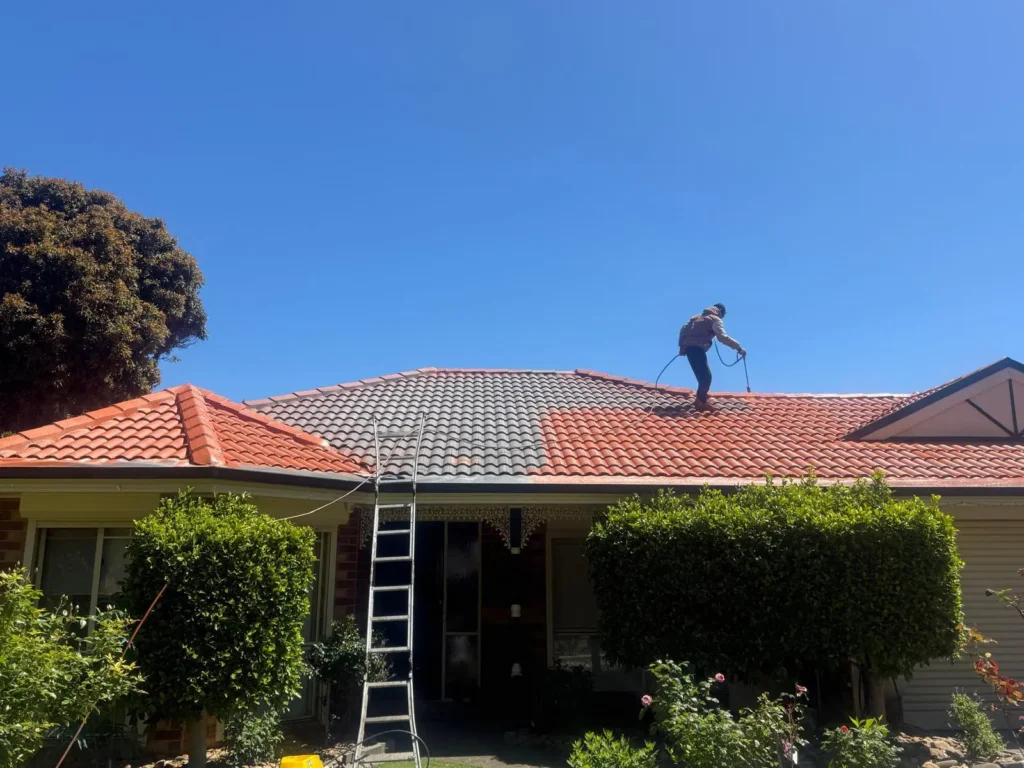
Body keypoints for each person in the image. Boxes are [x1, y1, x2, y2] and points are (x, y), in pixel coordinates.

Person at [678, 303, 746, 411]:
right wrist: (738, 348)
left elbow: (683, 330)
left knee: (702, 376)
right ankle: (701, 402)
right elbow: (722, 337)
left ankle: (701, 398)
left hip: (689, 348)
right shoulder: (715, 319)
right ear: (721, 313)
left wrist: (682, 346)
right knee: (706, 377)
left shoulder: (695, 317)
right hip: (697, 348)